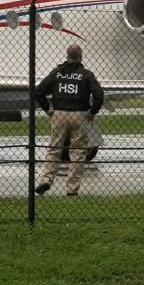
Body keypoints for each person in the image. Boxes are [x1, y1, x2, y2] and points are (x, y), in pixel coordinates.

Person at [34, 44, 104, 196]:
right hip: (79, 114)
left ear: (67, 56)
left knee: (54, 149)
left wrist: (48, 109)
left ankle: (46, 179)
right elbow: (99, 95)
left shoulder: (57, 73)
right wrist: (93, 111)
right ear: (81, 57)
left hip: (59, 114)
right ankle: (72, 188)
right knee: (78, 152)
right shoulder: (86, 75)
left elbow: (39, 91)